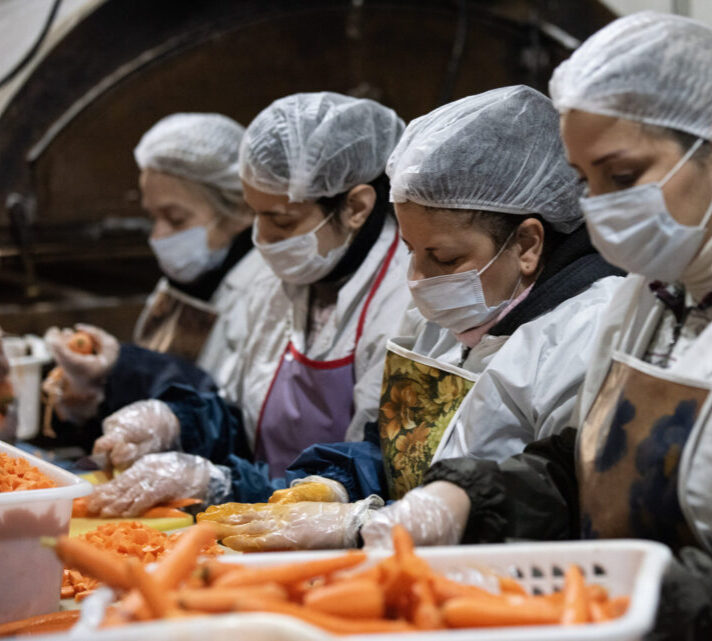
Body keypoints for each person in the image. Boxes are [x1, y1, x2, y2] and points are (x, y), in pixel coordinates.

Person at [244, 13, 712, 640]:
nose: (597, 208)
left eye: (622, 174)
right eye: (584, 180)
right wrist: (462, 500)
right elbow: (595, 460)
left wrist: (564, 596)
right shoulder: (656, 291)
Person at [196, 86, 626, 549]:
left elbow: (562, 503)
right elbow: (398, 448)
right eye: (409, 250)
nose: (417, 277)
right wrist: (338, 484)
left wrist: (375, 525)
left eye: (443, 257)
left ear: (527, 245)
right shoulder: (447, 313)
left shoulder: (589, 333)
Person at [84, 92, 412, 516]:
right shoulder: (288, 279)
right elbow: (242, 415)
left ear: (356, 207)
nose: (262, 237)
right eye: (256, 214)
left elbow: (373, 472)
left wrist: (227, 485)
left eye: (282, 221)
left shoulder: (405, 305)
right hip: (257, 525)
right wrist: (175, 420)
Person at [39, 113, 263, 444]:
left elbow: (231, 417)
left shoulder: (264, 289)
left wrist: (123, 366)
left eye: (175, 219)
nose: (158, 236)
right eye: (152, 217)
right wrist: (95, 393)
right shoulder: (186, 279)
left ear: (241, 211)